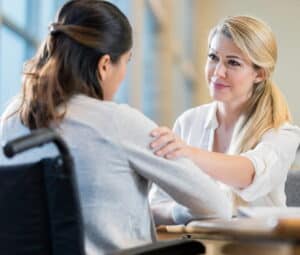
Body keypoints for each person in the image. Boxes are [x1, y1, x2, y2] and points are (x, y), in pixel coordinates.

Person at [0, 1, 232, 254]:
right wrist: (171, 212)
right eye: (126, 62)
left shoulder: (12, 119)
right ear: (104, 65)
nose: (123, 74)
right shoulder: (117, 122)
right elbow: (216, 205)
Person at [149, 15, 300, 223]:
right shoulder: (188, 122)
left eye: (233, 63)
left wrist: (186, 153)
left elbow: (249, 174)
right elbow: (155, 205)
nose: (218, 72)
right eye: (213, 57)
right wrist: (180, 212)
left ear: (260, 74)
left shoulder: (283, 134)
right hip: (197, 247)